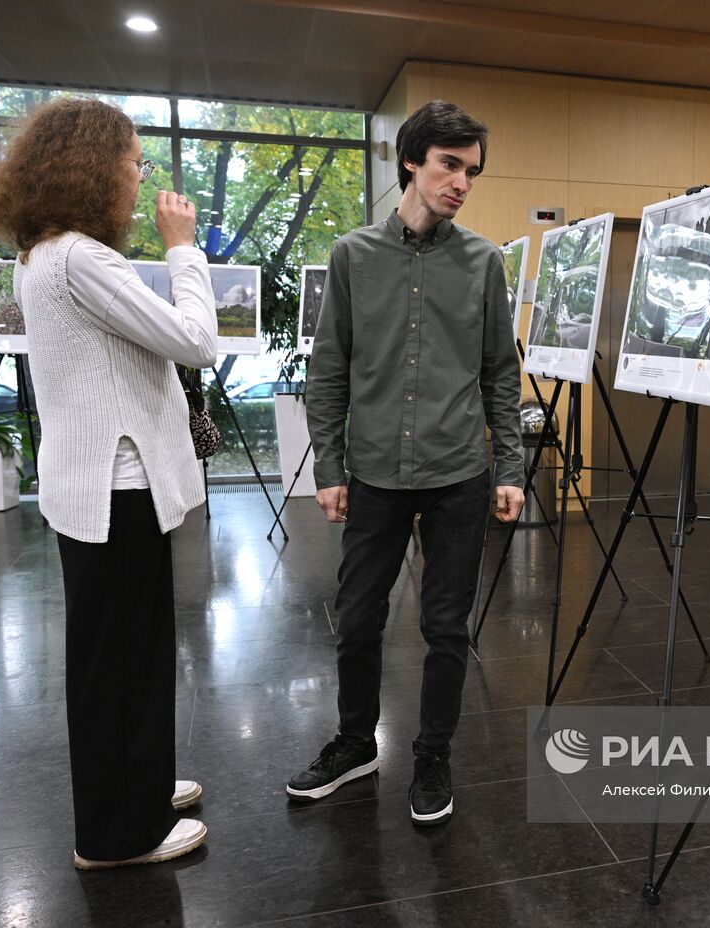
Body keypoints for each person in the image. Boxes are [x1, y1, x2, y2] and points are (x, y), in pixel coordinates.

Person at [0, 98, 217, 868]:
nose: (138, 177)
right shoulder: (81, 258)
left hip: (100, 489)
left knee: (122, 654)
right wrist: (183, 250)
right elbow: (196, 341)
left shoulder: (40, 256)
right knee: (120, 660)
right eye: (133, 162)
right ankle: (117, 835)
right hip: (117, 492)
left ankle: (138, 786)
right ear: (92, 168)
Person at [290, 100, 525, 825]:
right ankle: (356, 743)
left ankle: (432, 757)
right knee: (358, 620)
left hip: (458, 473)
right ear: (412, 164)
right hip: (374, 476)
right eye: (450, 165)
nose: (462, 182)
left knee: (447, 627)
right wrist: (328, 466)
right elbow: (329, 369)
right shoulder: (353, 256)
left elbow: (500, 373)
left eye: (472, 171)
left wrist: (510, 468)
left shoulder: (483, 262)